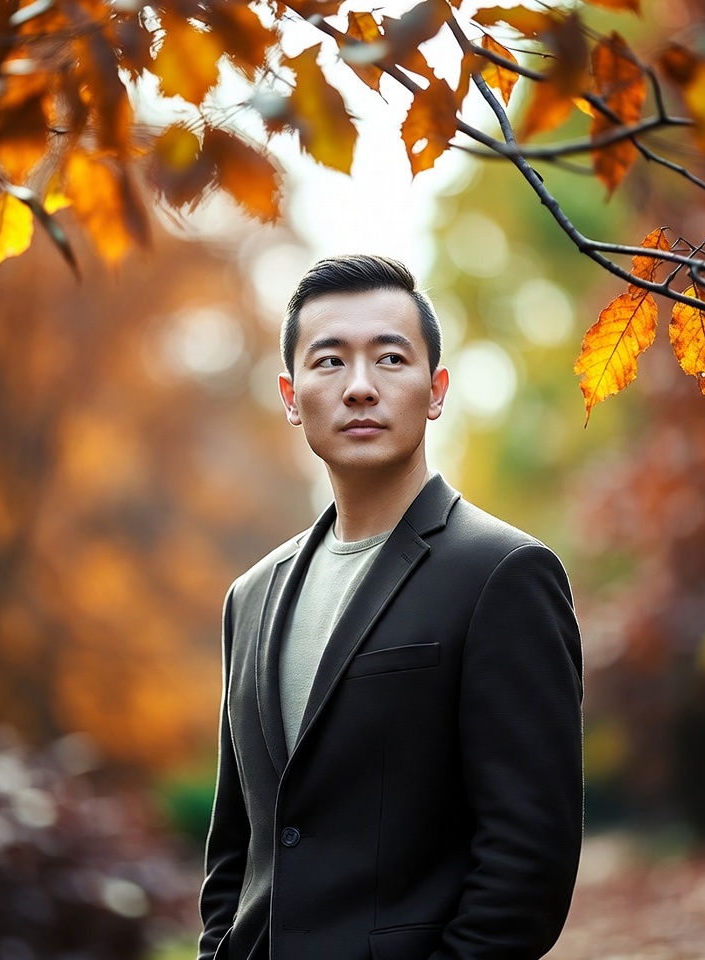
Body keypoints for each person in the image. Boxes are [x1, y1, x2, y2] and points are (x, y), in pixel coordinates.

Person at [198, 254, 583, 960]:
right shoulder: (249, 597)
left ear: (435, 390)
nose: (361, 388)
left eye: (391, 359)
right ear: (290, 395)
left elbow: (529, 860)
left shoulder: (503, 574)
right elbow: (236, 852)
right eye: (330, 362)